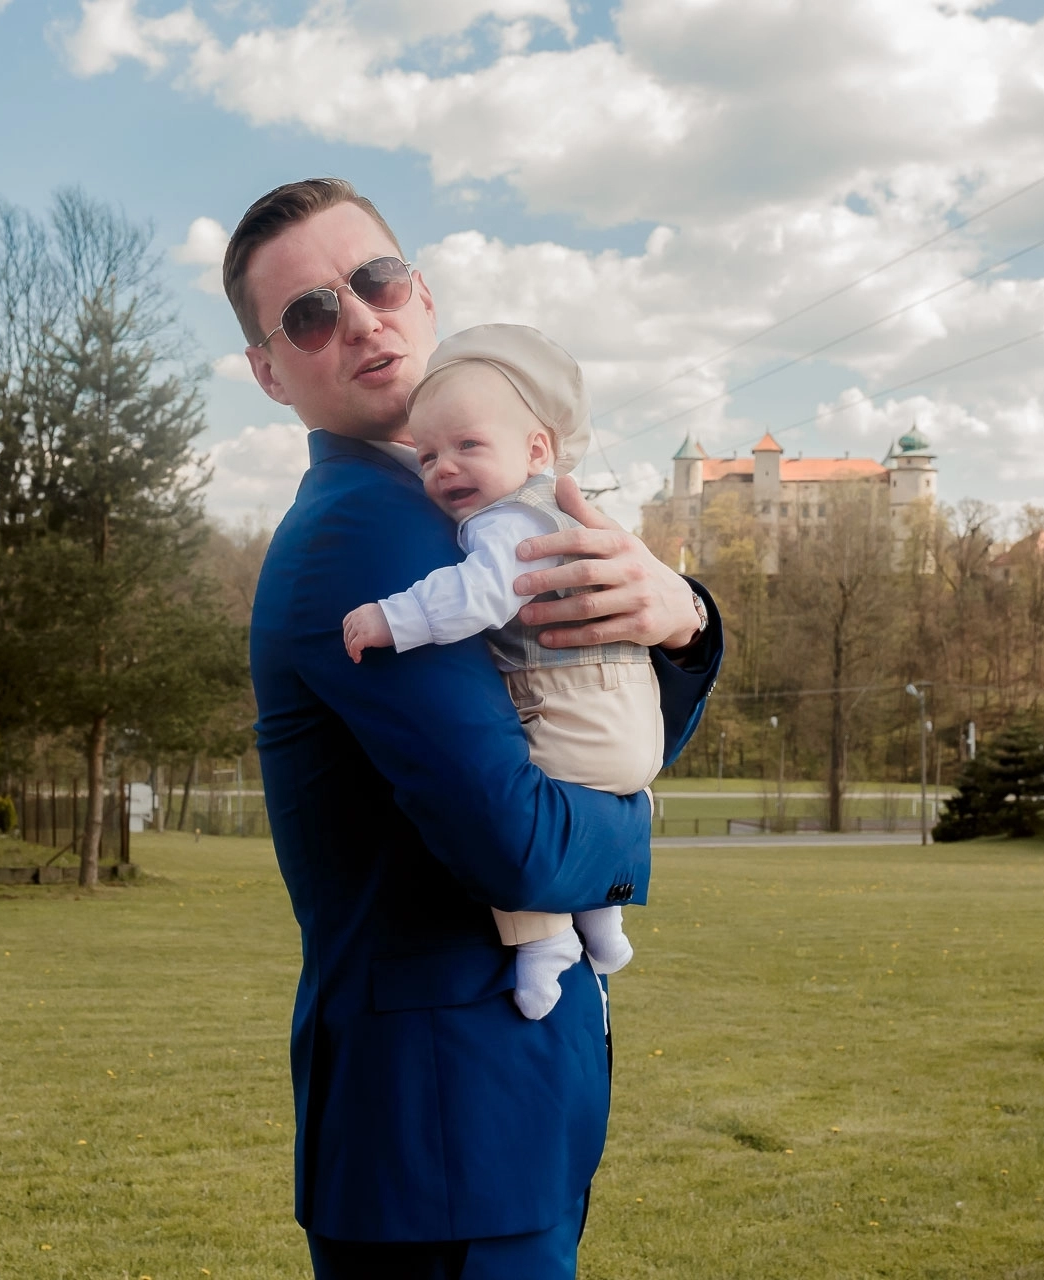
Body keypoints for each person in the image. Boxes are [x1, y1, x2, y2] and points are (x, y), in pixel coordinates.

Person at [229, 178, 722, 1278]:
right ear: (269, 373)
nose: (362, 320)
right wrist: (638, 827)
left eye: (376, 281)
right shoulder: (368, 535)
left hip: (491, 1122)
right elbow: (522, 844)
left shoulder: (477, 510)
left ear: (423, 295)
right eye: (310, 313)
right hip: (443, 1138)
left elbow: (582, 735)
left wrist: (682, 622)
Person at [342, 324, 656, 1021]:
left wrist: (393, 618)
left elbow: (478, 594)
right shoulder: (563, 513)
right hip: (630, 717)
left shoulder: (506, 522)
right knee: (579, 799)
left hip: (573, 710)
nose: (443, 468)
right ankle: (603, 920)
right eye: (428, 456)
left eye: (468, 446)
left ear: (537, 451)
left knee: (503, 805)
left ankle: (544, 940)